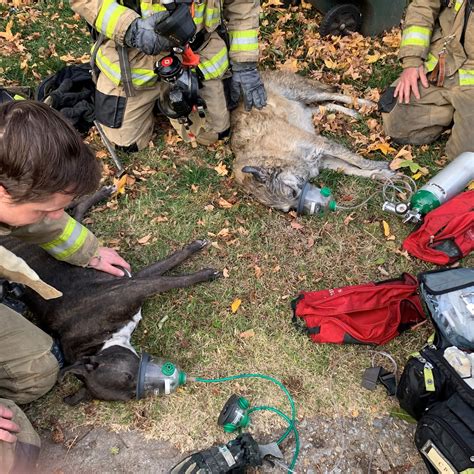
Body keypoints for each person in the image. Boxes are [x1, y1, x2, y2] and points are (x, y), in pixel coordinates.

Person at [0, 100, 131, 473]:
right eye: (46, 209)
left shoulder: (11, 158)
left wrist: (88, 252)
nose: (56, 216)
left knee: (40, 368)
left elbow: (41, 221)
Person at [70, 0, 266, 151]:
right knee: (125, 143)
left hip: (197, 52)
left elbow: (243, 5)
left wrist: (245, 64)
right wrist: (131, 29)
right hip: (134, 59)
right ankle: (150, 99)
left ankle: (172, 99)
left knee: (213, 134)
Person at [380, 0, 474, 159]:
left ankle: (459, 114)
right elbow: (422, 7)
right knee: (396, 126)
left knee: (463, 160)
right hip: (445, 62)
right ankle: (450, 111)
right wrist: (412, 61)